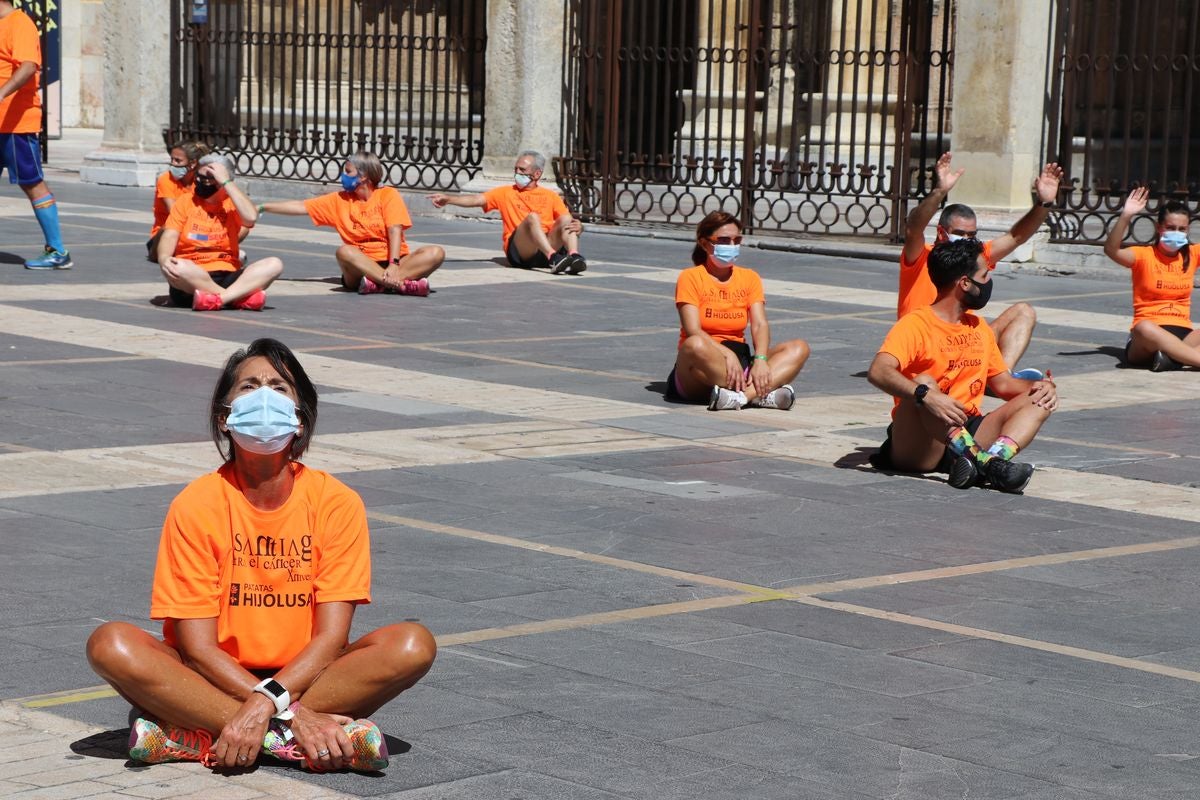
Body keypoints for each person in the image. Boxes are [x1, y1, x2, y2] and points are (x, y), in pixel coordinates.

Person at [86, 338, 437, 772]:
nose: (265, 398)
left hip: (309, 676)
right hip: (211, 676)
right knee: (111, 644)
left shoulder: (336, 502)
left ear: (301, 421)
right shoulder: (197, 504)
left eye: (280, 387)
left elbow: (331, 638)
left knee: (411, 644)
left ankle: (193, 737)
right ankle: (292, 738)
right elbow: (197, 649)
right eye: (249, 387)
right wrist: (290, 712)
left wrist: (266, 701)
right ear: (224, 417)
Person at [868, 239, 1058, 493]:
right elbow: (878, 371)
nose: (989, 280)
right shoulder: (916, 324)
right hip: (920, 441)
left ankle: (985, 461)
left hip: (965, 430)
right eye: (984, 274)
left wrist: (1039, 387)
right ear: (965, 283)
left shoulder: (978, 327)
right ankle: (987, 465)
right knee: (925, 382)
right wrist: (927, 396)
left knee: (1038, 399)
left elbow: (1002, 383)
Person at [901, 152, 1063, 378]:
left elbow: (1016, 237)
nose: (967, 239)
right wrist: (940, 191)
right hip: (928, 346)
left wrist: (1043, 203)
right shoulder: (921, 256)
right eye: (960, 234)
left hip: (963, 343)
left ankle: (1000, 377)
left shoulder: (975, 256)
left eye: (972, 234)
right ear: (941, 232)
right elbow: (913, 229)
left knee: (1024, 312)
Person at [667, 211, 810, 410]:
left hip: (740, 362)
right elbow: (693, 329)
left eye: (737, 240)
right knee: (694, 344)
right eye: (724, 240)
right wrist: (726, 354)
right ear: (704, 243)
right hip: (701, 365)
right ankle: (761, 393)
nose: (731, 246)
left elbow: (759, 324)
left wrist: (760, 360)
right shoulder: (690, 277)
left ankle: (742, 397)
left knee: (798, 347)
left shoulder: (749, 278)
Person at [259, 151, 444, 296]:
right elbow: (301, 206)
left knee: (436, 253)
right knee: (344, 251)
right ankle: (400, 285)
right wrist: (262, 207)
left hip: (394, 262)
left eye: (348, 171)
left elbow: (394, 229)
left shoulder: (388, 195)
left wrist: (394, 264)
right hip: (360, 266)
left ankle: (378, 285)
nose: (343, 176)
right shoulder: (339, 199)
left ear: (363, 176)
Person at [157, 153, 283, 311]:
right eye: (200, 176)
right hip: (192, 276)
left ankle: (218, 299)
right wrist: (164, 259)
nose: (203, 181)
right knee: (178, 266)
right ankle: (236, 299)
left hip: (228, 273)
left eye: (210, 177)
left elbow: (250, 217)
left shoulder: (233, 204)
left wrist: (226, 182)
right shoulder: (185, 201)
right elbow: (170, 235)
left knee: (274, 264)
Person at [430, 150, 587, 274]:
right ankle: (553, 258)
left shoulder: (550, 195)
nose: (517, 173)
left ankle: (574, 256)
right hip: (521, 251)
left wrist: (580, 226)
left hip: (547, 245)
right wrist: (449, 199)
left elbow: (568, 223)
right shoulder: (505, 192)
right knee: (532, 217)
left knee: (567, 218)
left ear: (537, 174)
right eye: (516, 169)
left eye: (522, 169)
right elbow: (477, 200)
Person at [0, 0, 70, 270]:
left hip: (17, 123)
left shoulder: (20, 23)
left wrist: (2, 93)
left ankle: (57, 250)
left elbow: (28, 65)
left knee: (31, 183)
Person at [1103, 187, 1200, 371]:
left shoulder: (1192, 254)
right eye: (1170, 228)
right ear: (1158, 227)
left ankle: (1171, 359)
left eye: (1182, 229)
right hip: (1146, 338)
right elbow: (1111, 250)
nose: (1176, 233)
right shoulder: (1143, 255)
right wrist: (1126, 215)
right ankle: (1184, 357)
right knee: (1144, 327)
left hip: (1184, 334)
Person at [147, 141, 211, 262]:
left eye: (178, 161)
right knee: (169, 226)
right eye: (172, 159)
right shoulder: (166, 179)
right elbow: (175, 213)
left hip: (192, 233)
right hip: (165, 235)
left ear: (192, 163)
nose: (173, 164)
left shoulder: (200, 182)